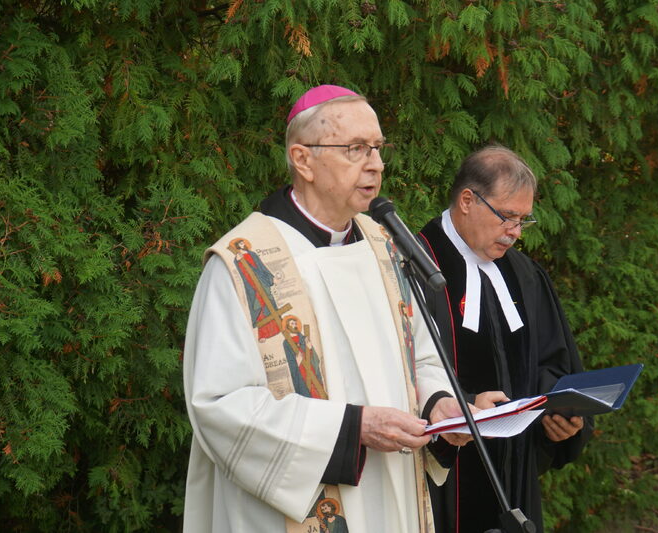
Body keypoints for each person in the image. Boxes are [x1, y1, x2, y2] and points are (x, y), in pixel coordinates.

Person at [182, 84, 470, 533]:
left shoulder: (385, 246)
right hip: (291, 509)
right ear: (303, 160)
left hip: (391, 489)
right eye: (356, 148)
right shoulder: (244, 264)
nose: (375, 163)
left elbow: (420, 355)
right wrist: (351, 427)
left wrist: (439, 405)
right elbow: (219, 405)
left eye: (377, 148)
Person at [417, 146, 594, 533]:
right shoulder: (414, 267)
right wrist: (460, 406)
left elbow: (551, 360)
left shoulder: (524, 274)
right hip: (442, 486)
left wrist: (558, 415)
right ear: (467, 200)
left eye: (522, 220)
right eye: (507, 216)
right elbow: (400, 373)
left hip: (514, 480)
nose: (514, 232)